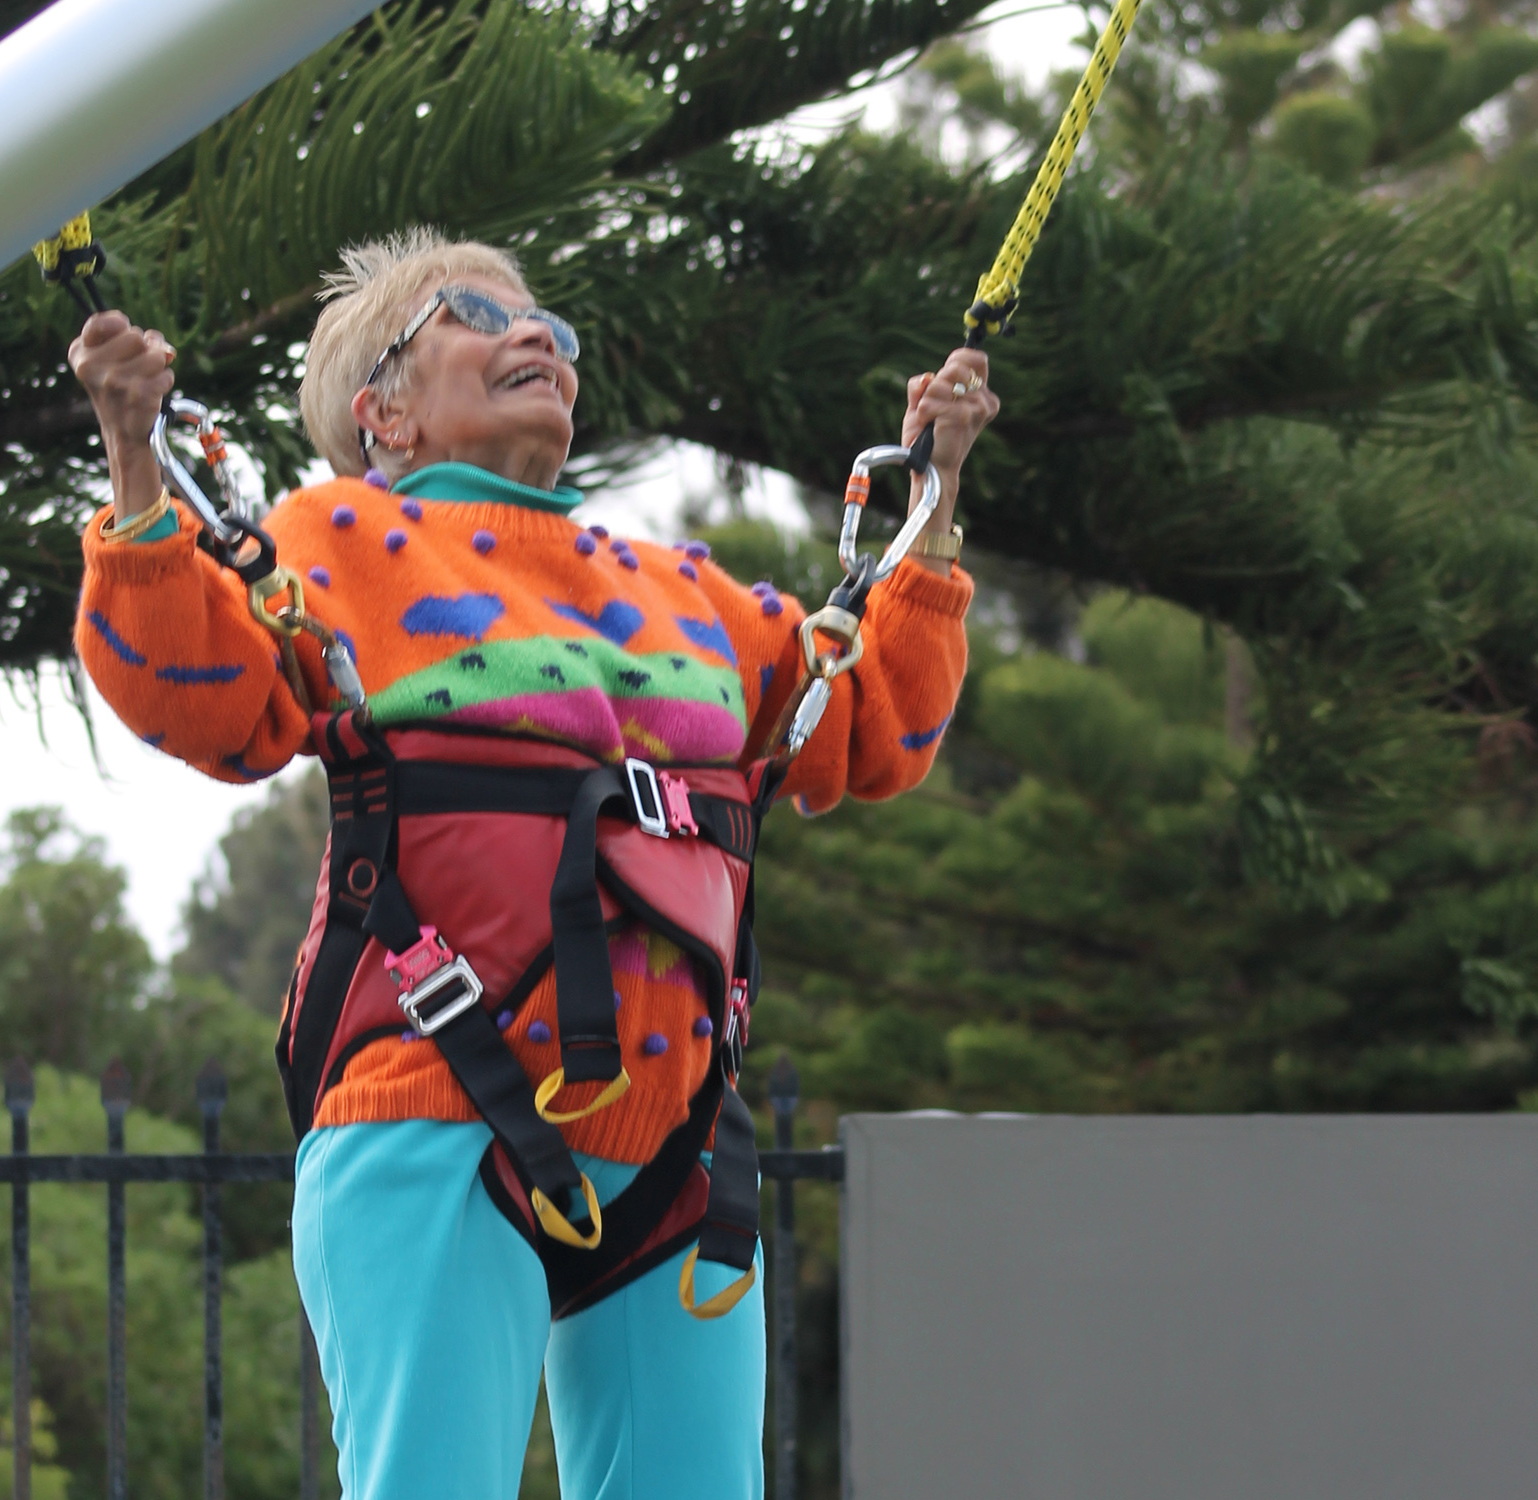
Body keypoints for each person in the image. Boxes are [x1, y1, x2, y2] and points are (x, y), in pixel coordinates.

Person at [69, 229, 995, 1500]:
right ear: (379, 409)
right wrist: (135, 466)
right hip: (432, 1105)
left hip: (674, 1147)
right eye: (475, 315)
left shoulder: (686, 595)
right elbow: (205, 696)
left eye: (551, 331)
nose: (537, 340)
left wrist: (933, 497)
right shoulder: (331, 540)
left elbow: (875, 721)